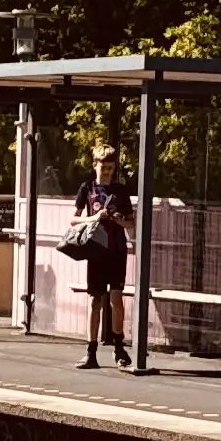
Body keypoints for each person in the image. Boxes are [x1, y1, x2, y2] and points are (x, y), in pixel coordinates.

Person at [67, 141, 135, 371]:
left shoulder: (121, 191)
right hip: (95, 251)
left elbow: (131, 223)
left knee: (116, 299)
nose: (106, 171)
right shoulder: (87, 189)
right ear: (94, 165)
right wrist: (94, 217)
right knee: (95, 300)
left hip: (116, 251)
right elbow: (74, 219)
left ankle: (119, 347)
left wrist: (116, 218)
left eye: (110, 167)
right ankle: (90, 351)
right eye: (103, 167)